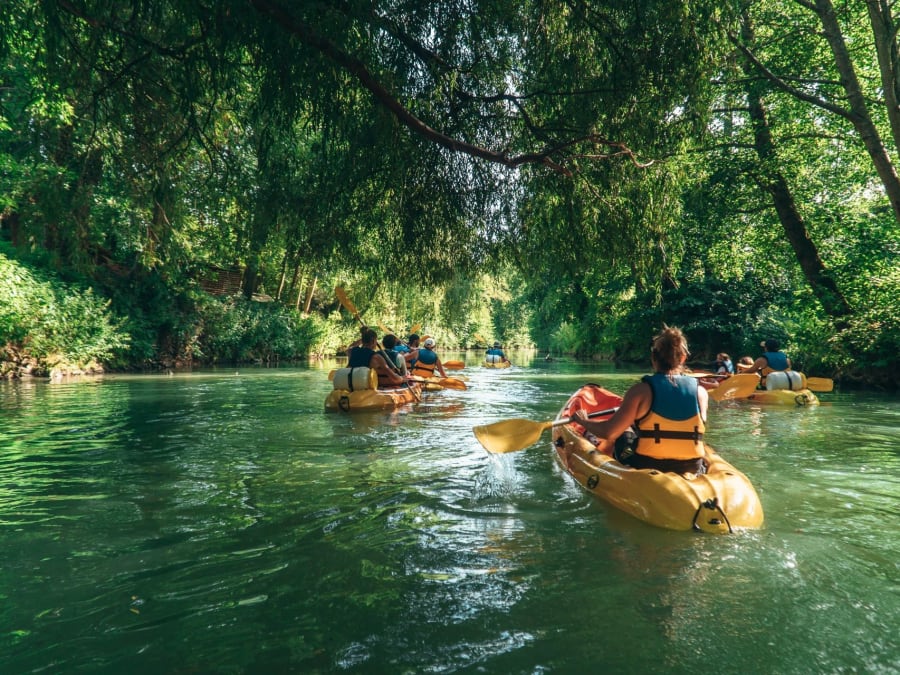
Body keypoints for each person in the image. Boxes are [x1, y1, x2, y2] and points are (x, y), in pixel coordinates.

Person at [570, 326, 709, 475]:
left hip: (648, 465)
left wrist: (583, 421)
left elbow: (609, 432)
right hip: (692, 467)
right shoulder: (701, 392)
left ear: (653, 358)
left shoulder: (640, 391)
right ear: (683, 358)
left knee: (625, 432)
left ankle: (593, 440)